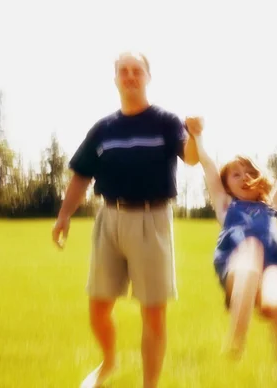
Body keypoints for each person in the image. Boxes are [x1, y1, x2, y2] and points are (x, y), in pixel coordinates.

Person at [51, 51, 199, 388]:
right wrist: (63, 216)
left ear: (148, 77)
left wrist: (195, 136)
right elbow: (80, 176)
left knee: (153, 312)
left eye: (137, 71)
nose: (130, 76)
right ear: (115, 79)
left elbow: (189, 158)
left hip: (152, 219)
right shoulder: (103, 129)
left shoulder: (165, 121)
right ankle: (108, 362)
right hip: (109, 219)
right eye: (124, 71)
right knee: (98, 307)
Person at [186, 117, 277, 365]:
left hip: (273, 269)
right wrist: (197, 137)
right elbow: (209, 167)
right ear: (226, 185)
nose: (244, 177)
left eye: (250, 172)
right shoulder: (226, 206)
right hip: (237, 270)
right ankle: (234, 346)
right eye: (236, 174)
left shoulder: (270, 207)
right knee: (251, 249)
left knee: (275, 302)